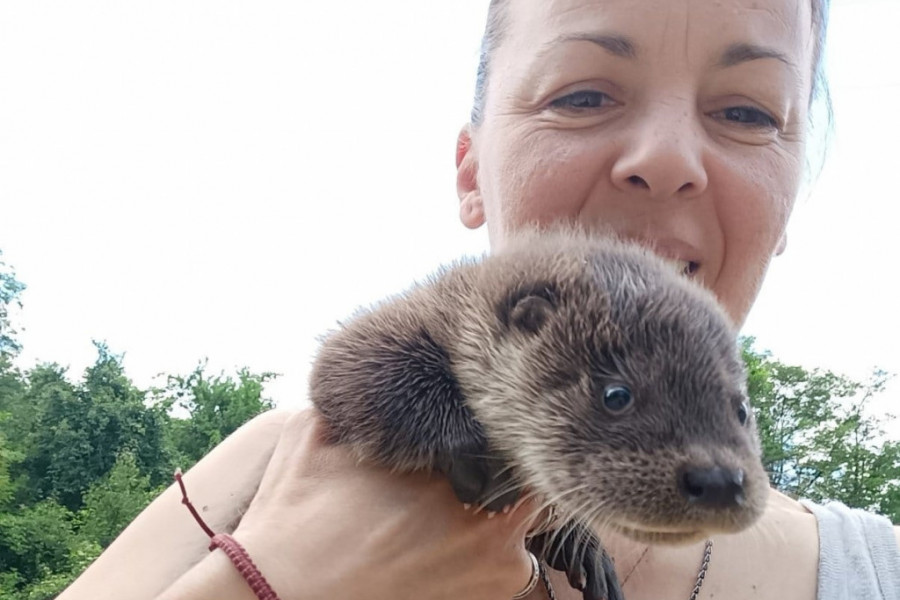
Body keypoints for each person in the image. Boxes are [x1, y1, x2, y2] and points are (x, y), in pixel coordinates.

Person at [59, 1, 900, 599]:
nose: (668, 156)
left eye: (747, 112)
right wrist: (276, 580)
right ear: (470, 169)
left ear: (793, 196)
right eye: (583, 94)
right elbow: (360, 370)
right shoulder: (265, 470)